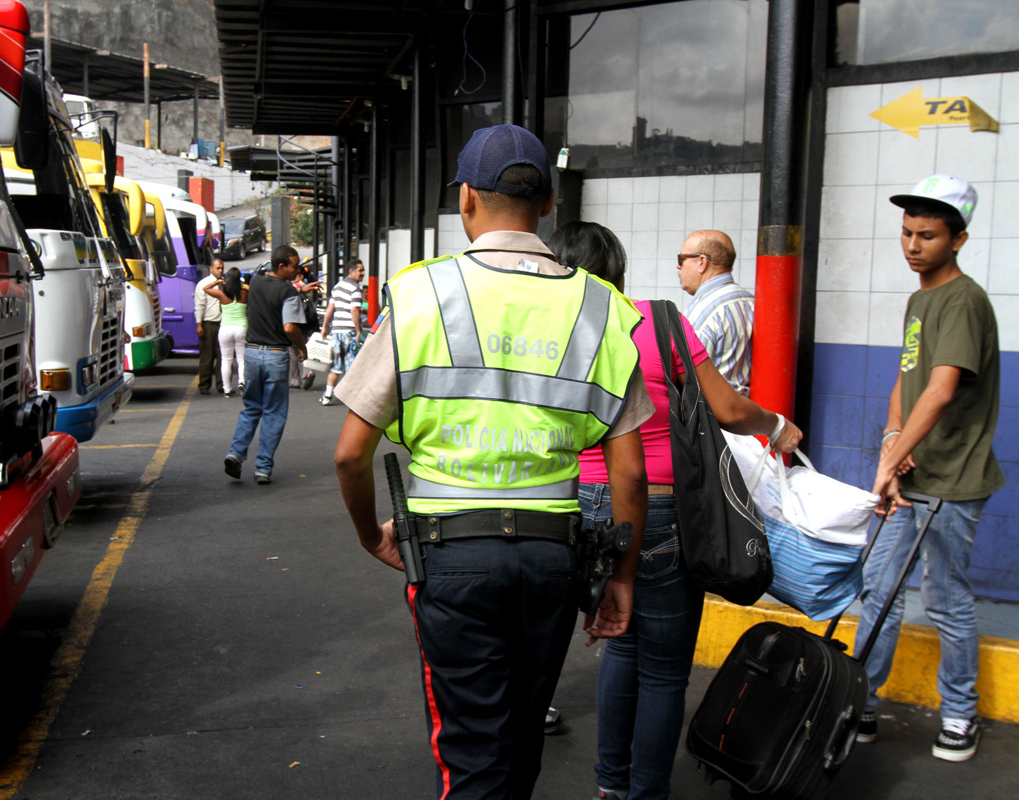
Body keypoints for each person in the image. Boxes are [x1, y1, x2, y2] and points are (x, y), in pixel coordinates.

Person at [333, 124, 655, 800]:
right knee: (518, 746)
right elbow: (628, 473)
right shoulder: (601, 307)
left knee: (474, 755)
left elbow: (350, 454)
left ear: (465, 200)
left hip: (452, 555)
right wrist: (621, 577)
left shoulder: (422, 294)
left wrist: (370, 535)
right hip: (552, 559)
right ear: (548, 204)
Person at [548, 220, 802, 800]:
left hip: (581, 506)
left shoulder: (553, 327)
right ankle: (646, 794)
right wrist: (777, 427)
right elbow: (728, 409)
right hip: (659, 508)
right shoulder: (659, 320)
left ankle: (611, 786)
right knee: (661, 669)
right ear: (619, 269)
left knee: (620, 641)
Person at [853, 174, 1003, 763]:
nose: (914, 246)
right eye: (908, 233)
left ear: (958, 240)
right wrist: (894, 440)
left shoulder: (965, 300)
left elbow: (940, 391)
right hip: (910, 475)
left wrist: (888, 465)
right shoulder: (921, 299)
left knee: (944, 598)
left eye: (929, 236)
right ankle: (859, 701)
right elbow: (907, 379)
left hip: (953, 481)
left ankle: (960, 714)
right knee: (878, 590)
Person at [224, 245, 308, 485]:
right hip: (275, 355)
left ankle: (236, 453)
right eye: (294, 265)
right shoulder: (288, 292)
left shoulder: (256, 283)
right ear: (281, 266)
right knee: (273, 413)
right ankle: (262, 468)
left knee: (251, 408)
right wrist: (302, 348)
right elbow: (290, 328)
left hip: (251, 353)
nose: (298, 269)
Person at [676, 229, 754, 396]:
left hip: (713, 417)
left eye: (682, 259)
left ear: (702, 262)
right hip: (748, 412)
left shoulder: (704, 313)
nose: (678, 266)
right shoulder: (751, 303)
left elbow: (688, 379)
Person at [319, 259, 365, 406]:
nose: (363, 273)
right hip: (349, 332)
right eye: (360, 270)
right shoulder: (355, 288)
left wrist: (325, 326)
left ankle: (327, 395)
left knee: (337, 365)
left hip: (337, 331)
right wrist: (358, 330)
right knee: (353, 366)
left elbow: (330, 308)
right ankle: (353, 399)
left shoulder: (338, 286)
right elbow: (354, 310)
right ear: (351, 271)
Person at [206, 266, 249, 397]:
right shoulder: (245, 293)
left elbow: (205, 289)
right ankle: (242, 381)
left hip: (225, 328)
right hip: (241, 327)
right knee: (242, 359)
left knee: (226, 360)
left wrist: (217, 282)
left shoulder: (222, 293)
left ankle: (227, 389)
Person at [194, 258, 225, 394]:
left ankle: (221, 384)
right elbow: (199, 306)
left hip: (223, 323)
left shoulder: (225, 283)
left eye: (222, 268)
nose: (220, 271)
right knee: (207, 356)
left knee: (223, 356)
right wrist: (199, 324)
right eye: (218, 268)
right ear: (211, 268)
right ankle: (204, 385)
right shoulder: (204, 284)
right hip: (209, 324)